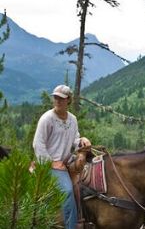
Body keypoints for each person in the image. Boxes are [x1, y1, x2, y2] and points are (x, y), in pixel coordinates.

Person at [33, 85, 91, 229]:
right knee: (67, 191)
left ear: (68, 100)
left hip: (66, 161)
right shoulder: (47, 119)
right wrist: (51, 163)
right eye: (56, 97)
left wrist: (82, 141)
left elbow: (74, 140)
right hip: (48, 163)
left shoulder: (73, 119)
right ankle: (71, 226)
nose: (57, 101)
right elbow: (38, 144)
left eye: (61, 98)